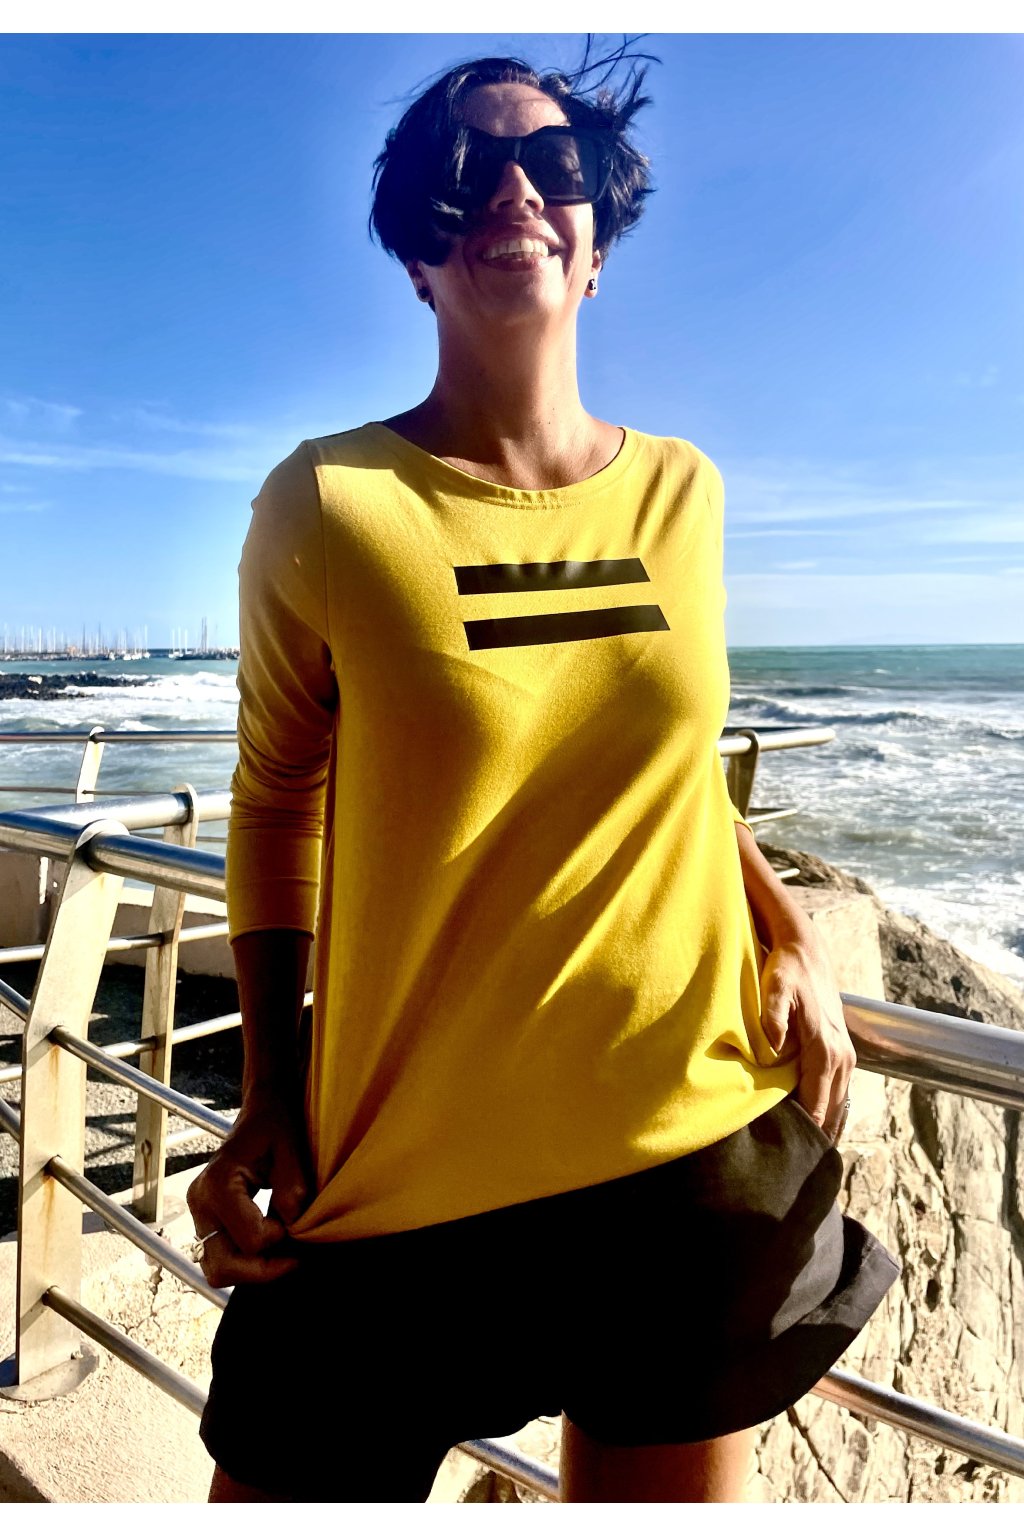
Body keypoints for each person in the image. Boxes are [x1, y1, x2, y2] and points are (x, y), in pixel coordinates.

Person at [187, 45, 899, 1503]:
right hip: (396, 1178)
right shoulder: (328, 503)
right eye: (466, 168)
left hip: (682, 1154)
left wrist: (782, 922)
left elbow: (668, 765)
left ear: (596, 241)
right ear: (416, 252)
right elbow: (274, 802)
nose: (514, 186)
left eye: (553, 161)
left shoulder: (685, 492)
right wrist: (268, 1093)